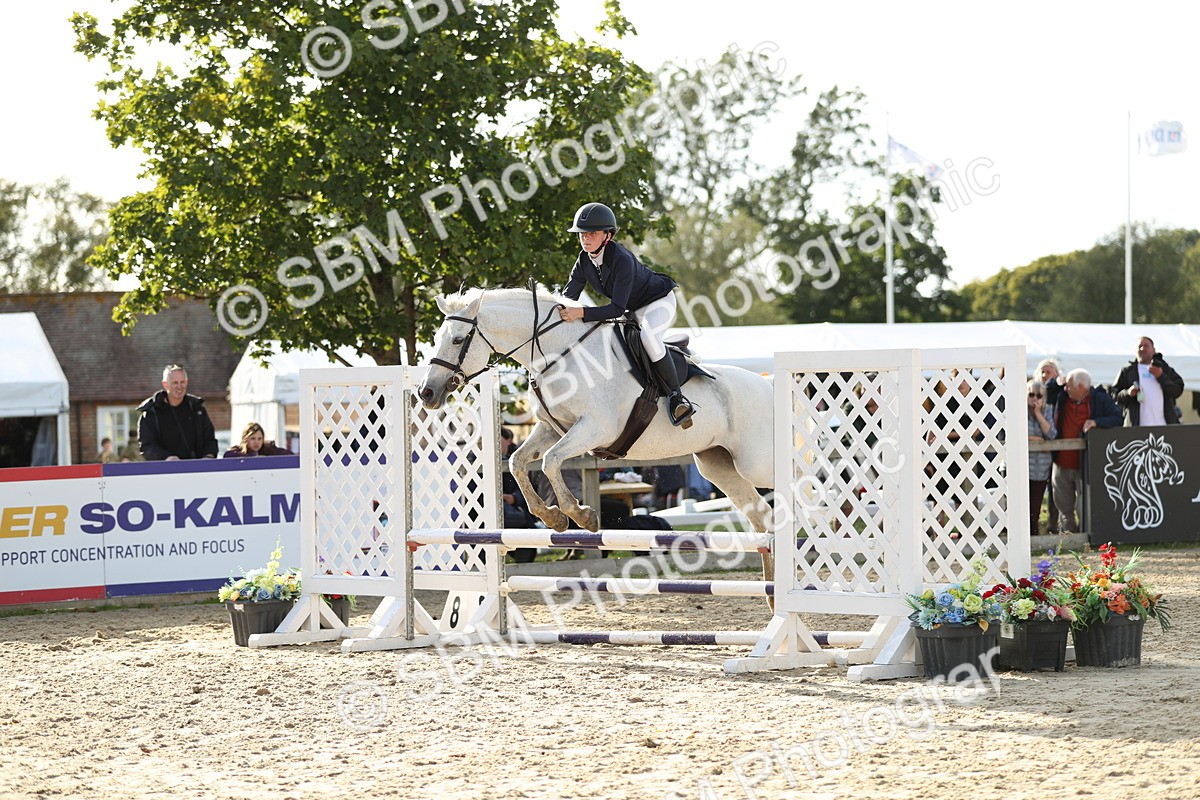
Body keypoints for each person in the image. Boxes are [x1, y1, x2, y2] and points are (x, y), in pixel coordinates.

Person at [558, 202, 695, 426]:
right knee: (609, 341)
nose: (585, 238)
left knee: (648, 338)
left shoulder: (621, 259)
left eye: (592, 233)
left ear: (608, 235)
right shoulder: (583, 261)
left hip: (658, 301)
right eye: (582, 233)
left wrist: (580, 312)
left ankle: (677, 398)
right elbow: (567, 298)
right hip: (633, 309)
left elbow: (616, 309)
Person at [1051, 368, 1122, 533]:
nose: (1066, 389)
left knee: (1085, 505)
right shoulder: (1062, 396)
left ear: (1081, 387)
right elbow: (1045, 391)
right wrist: (1056, 382)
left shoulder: (1100, 398)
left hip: (1086, 463)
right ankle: (1068, 538)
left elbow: (1118, 418)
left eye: (1069, 386)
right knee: (1063, 505)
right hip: (1061, 461)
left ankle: (1086, 537)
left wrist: (1097, 422)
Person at [136, 364, 219, 461]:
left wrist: (208, 456)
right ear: (165, 384)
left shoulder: (197, 409)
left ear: (187, 382)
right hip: (165, 468)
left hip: (198, 468)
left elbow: (209, 440)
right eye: (175, 383)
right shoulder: (150, 413)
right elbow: (147, 446)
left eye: (182, 382)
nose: (179, 387)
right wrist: (166, 458)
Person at [1111, 336, 1184, 427]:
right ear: (1135, 351)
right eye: (1140, 346)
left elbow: (1178, 390)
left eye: (1146, 346)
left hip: (1164, 426)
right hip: (1136, 428)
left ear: (1153, 350)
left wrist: (1161, 376)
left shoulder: (1164, 369)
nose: (1142, 348)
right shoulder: (1127, 371)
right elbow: (1114, 396)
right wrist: (1128, 393)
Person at [1026, 379, 1057, 538]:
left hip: (1041, 467)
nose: (1035, 398)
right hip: (1023, 467)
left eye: (1039, 395)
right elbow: (1016, 434)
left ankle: (1034, 537)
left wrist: (1038, 414)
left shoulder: (1047, 410)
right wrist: (1036, 440)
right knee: (1021, 506)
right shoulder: (1020, 411)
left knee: (1035, 506)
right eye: (1031, 394)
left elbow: (1051, 434)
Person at [223, 421, 293, 457]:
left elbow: (289, 455)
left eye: (259, 439)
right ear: (246, 439)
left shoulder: (268, 449)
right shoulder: (237, 452)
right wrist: (252, 457)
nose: (256, 442)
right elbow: (228, 454)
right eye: (253, 438)